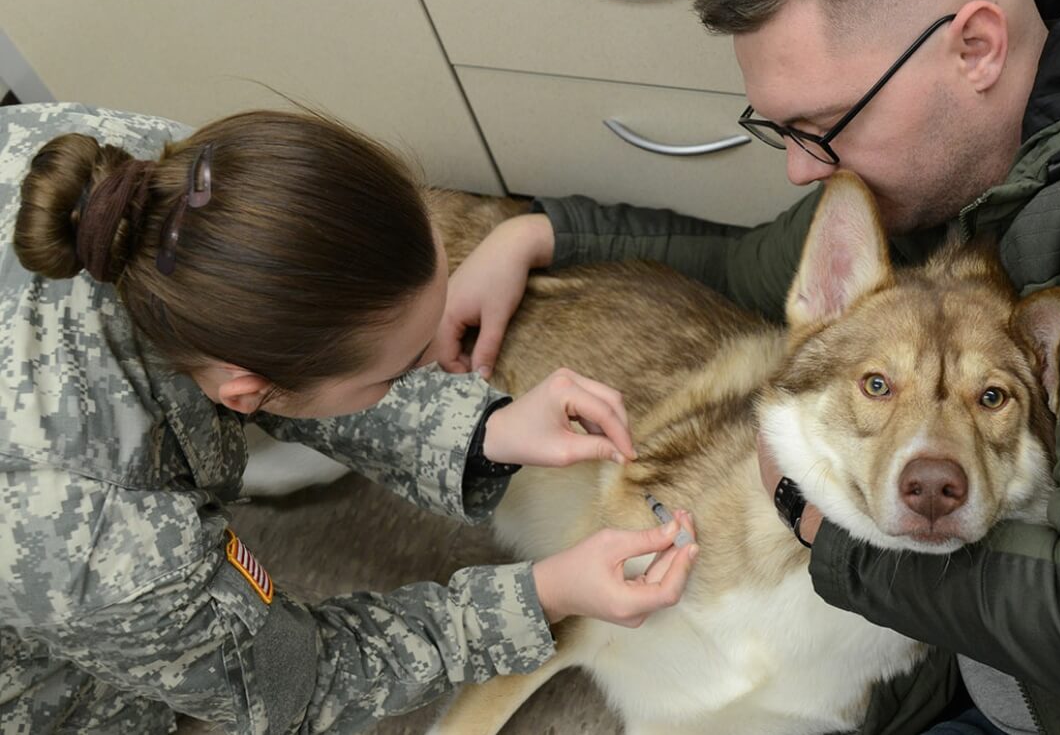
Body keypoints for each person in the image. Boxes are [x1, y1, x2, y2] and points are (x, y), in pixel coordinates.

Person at [432, 0, 1060, 733]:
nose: (797, 169)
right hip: (994, 628)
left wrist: (822, 529)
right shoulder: (968, 146)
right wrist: (542, 229)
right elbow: (753, 265)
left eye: (826, 126)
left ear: (976, 48)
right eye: (782, 131)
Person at [0, 102, 699, 734]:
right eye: (400, 371)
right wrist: (541, 595)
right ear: (248, 392)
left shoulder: (154, 188)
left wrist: (480, 431)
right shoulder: (100, 546)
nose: (440, 362)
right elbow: (292, 683)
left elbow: (292, 333)